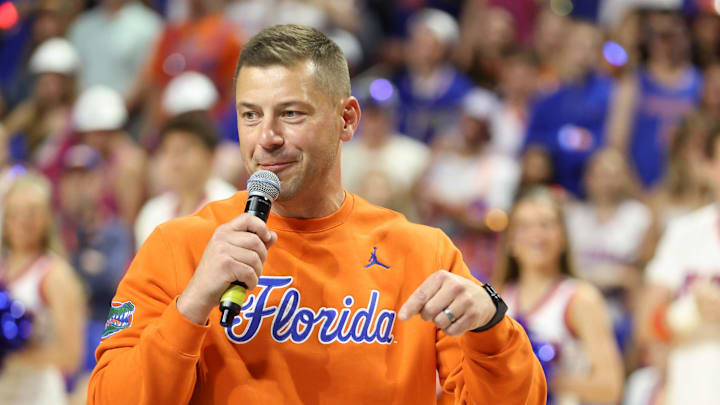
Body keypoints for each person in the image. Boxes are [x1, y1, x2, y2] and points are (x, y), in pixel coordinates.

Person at [87, 24, 546, 404]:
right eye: (250, 115)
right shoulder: (179, 244)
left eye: (290, 113)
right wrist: (191, 306)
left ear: (347, 119)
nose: (266, 137)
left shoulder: (422, 254)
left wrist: (491, 327)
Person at [493, 187, 624, 404]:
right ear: (510, 241)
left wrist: (544, 377)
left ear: (563, 237)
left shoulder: (580, 298)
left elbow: (611, 386)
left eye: (546, 224)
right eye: (524, 226)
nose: (536, 235)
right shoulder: (496, 298)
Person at [639, 124, 720, 405]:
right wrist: (686, 316)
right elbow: (645, 323)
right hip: (690, 386)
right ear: (708, 168)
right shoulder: (684, 232)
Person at [0, 173, 86, 405]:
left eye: (32, 212)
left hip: (37, 395)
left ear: (47, 218)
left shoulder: (55, 274)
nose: (23, 220)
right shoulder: (2, 267)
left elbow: (71, 355)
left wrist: (12, 354)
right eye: (15, 213)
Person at [565, 149, 655, 353]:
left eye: (613, 174)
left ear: (625, 178)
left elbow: (641, 275)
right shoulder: (572, 216)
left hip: (621, 308)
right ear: (588, 177)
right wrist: (614, 275)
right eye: (600, 174)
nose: (606, 181)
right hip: (576, 301)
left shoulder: (639, 216)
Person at [135, 113, 236, 249]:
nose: (175, 159)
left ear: (211, 156)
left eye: (184, 149)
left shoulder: (230, 205)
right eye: (168, 150)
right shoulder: (151, 212)